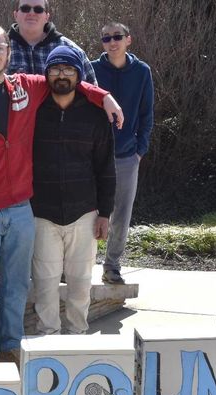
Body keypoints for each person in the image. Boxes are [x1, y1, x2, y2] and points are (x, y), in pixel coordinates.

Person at [0, 24, 121, 364]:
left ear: (9, 52)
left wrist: (103, 96)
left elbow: (69, 79)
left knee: (17, 287)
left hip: (21, 210)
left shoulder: (25, 87)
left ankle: (11, 348)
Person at [30, 46, 115, 336]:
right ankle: (47, 337)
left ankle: (78, 336)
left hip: (84, 213)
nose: (62, 75)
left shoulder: (94, 115)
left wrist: (105, 213)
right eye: (55, 69)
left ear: (79, 74)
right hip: (41, 213)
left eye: (68, 69)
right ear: (47, 74)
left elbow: (106, 167)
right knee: (45, 283)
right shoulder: (34, 111)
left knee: (81, 283)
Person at [91, 22, 154, 285]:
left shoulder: (141, 71)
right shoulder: (92, 70)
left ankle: (112, 266)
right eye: (106, 38)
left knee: (121, 214)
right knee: (88, 212)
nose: (112, 42)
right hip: (94, 155)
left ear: (129, 39)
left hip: (127, 155)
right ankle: (78, 264)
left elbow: (146, 113)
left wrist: (140, 150)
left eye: (117, 37)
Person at [7, 0, 96, 85]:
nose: (31, 13)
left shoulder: (71, 49)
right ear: (15, 15)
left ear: (47, 17)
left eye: (38, 9)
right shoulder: (1, 48)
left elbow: (92, 90)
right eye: (25, 8)